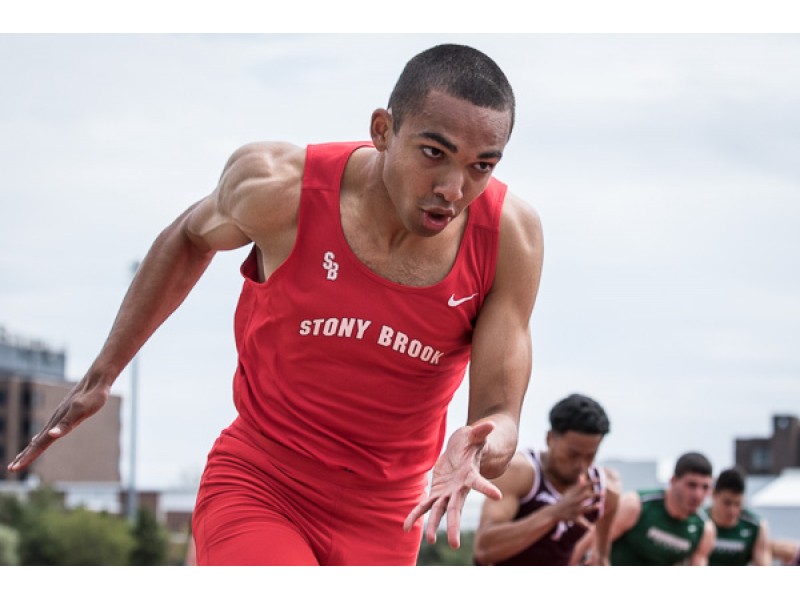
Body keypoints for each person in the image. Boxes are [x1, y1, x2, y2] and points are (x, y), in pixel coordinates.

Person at [6, 44, 543, 566]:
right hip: (262, 485)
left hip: (387, 519)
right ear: (383, 130)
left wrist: (481, 446)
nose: (454, 187)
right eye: (434, 153)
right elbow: (190, 237)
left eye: (482, 167)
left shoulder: (508, 239)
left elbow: (500, 413)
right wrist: (101, 376)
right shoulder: (279, 186)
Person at [472, 393, 619, 566]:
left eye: (590, 456)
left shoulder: (603, 489)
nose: (581, 465)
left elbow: (601, 557)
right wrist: (555, 513)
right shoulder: (519, 472)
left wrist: (599, 556)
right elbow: (483, 551)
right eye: (572, 454)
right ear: (550, 438)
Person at [609, 452, 716, 565]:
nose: (698, 495)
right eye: (691, 485)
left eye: (705, 487)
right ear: (673, 481)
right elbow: (593, 546)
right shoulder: (636, 505)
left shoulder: (704, 529)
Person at [706, 467, 771, 566]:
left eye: (738, 504)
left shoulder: (755, 525)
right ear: (714, 495)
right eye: (727, 503)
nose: (732, 510)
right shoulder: (700, 520)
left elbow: (763, 564)